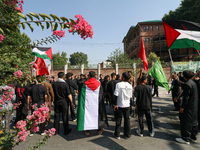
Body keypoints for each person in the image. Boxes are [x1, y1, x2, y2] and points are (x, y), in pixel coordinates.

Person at [77, 71, 108, 136]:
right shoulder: (99, 83)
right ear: (95, 76)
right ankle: (99, 129)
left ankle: (87, 130)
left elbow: (81, 94)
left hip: (87, 103)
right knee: (98, 115)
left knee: (87, 115)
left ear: (89, 76)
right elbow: (101, 93)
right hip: (97, 103)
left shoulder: (84, 84)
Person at [175, 70, 198, 144]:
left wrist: (182, 107)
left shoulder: (187, 85)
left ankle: (185, 138)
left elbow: (186, 98)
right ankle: (193, 136)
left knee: (186, 122)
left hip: (188, 107)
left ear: (184, 76)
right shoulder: (192, 83)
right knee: (193, 122)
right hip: (194, 105)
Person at [113, 72, 132, 139]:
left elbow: (115, 94)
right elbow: (130, 96)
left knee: (118, 120)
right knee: (127, 120)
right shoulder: (130, 85)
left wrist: (115, 104)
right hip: (127, 105)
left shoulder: (118, 84)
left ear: (123, 77)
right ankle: (127, 134)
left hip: (120, 105)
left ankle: (117, 134)